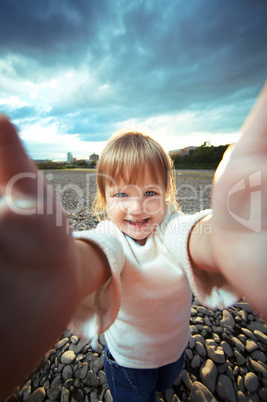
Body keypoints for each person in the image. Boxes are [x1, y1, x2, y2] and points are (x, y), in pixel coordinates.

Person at [0, 81, 266, 401]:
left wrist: (222, 239)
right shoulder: (110, 235)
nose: (138, 207)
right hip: (127, 360)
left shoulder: (169, 228)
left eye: (150, 192)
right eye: (122, 194)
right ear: (105, 199)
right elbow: (97, 255)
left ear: (166, 196)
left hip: (174, 347)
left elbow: (192, 236)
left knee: (166, 381)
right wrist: (70, 268)